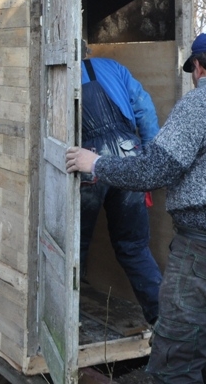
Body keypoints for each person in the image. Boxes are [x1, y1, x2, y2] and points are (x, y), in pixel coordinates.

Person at [66, 31, 206, 384]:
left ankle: (67, 320)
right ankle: (155, 315)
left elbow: (156, 168)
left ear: (198, 67)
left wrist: (95, 163)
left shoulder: (199, 106)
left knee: (176, 364)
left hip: (201, 250)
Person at [78, 47, 162, 325]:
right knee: (134, 246)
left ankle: (69, 322)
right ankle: (164, 321)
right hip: (130, 156)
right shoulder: (114, 68)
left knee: (74, 246)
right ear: (86, 49)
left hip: (88, 160)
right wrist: (150, 154)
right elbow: (144, 108)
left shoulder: (58, 72)